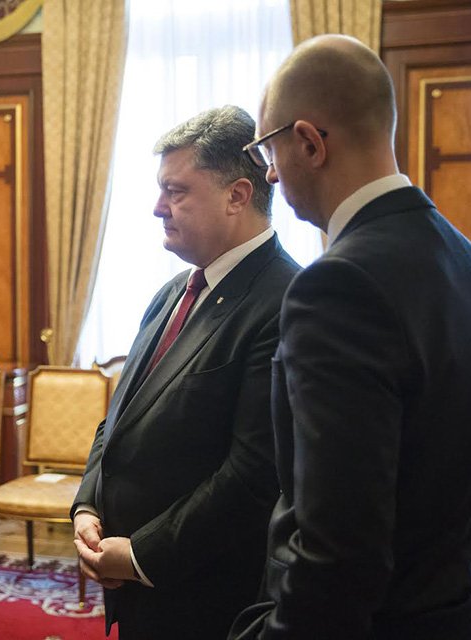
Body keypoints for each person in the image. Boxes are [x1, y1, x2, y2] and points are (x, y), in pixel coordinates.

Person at [229, 35, 471, 639]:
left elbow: (337, 553)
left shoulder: (336, 286)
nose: (271, 173)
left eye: (268, 151)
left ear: (309, 142)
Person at [71, 105, 301, 639]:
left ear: (237, 195)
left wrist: (141, 555)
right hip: (139, 587)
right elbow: (118, 420)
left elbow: (254, 473)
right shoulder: (173, 291)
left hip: (209, 595)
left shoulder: (287, 299)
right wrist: (88, 505)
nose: (158, 208)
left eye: (175, 191)